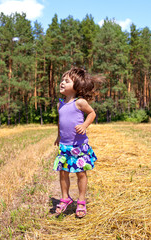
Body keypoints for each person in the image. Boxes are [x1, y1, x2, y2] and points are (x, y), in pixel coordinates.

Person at [53, 67, 100, 218]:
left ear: (77, 86)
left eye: (66, 81)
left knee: (81, 173)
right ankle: (65, 197)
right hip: (64, 146)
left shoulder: (80, 102)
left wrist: (85, 125)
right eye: (62, 80)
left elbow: (92, 113)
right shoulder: (60, 104)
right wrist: (58, 136)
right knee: (63, 172)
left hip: (79, 147)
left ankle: (81, 201)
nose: (62, 83)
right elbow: (61, 122)